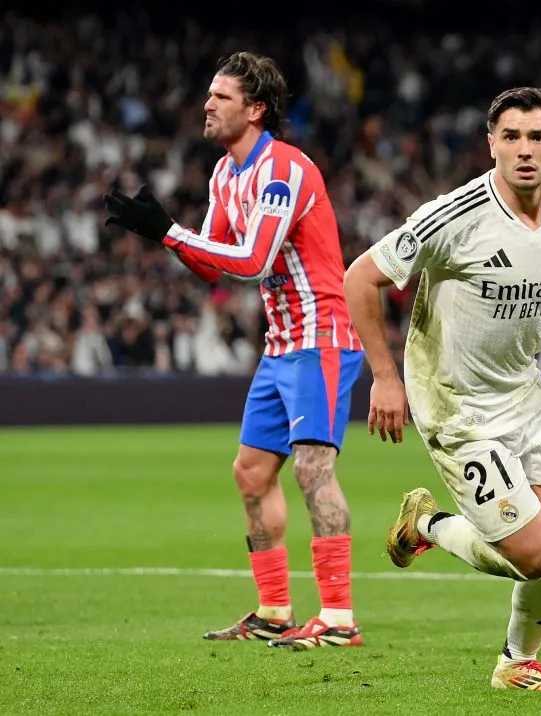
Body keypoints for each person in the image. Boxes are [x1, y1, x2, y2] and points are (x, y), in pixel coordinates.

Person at [343, 87, 541, 691]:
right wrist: (382, 376)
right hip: (454, 400)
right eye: (511, 137)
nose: (524, 150)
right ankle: (426, 526)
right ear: (492, 145)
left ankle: (517, 663)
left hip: (524, 391)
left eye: (538, 137)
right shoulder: (456, 217)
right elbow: (361, 278)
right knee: (533, 554)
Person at [103, 52, 365, 649]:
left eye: (220, 97)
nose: (207, 105)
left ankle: (340, 619)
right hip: (281, 345)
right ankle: (274, 610)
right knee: (250, 472)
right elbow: (212, 269)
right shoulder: (227, 174)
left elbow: (253, 260)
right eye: (209, 95)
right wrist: (161, 234)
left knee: (312, 466)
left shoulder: (284, 170)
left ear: (255, 109)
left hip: (321, 336)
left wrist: (169, 231)